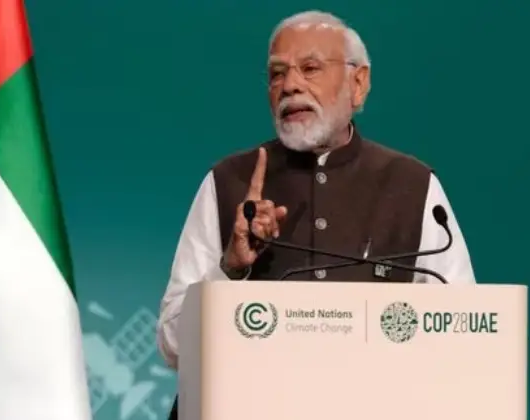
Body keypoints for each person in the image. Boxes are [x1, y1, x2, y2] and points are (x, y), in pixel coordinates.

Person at [157, 10, 475, 369]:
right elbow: (173, 345)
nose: (289, 85)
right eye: (277, 73)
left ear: (358, 84)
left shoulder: (412, 185)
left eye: (310, 68)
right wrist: (229, 269)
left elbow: (460, 332)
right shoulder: (228, 181)